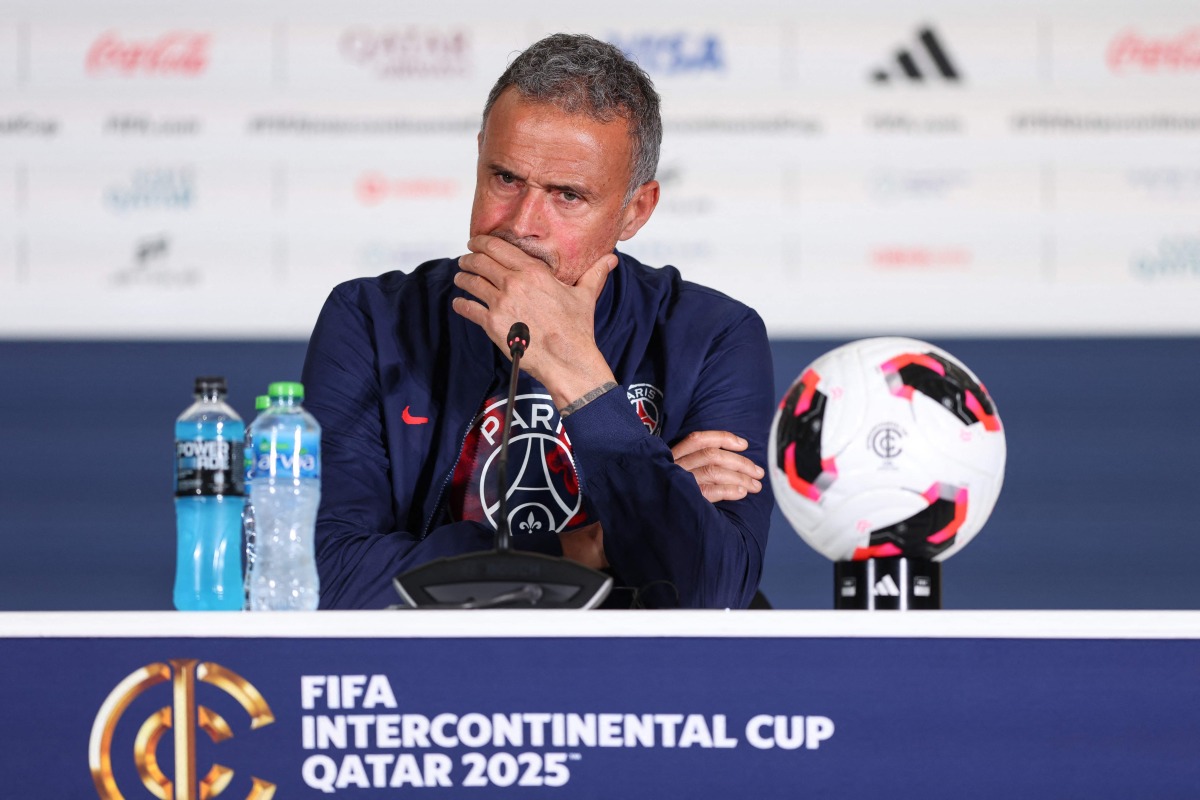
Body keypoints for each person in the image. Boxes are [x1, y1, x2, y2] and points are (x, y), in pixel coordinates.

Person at [301, 33, 775, 609]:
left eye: (568, 196)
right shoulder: (372, 321)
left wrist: (580, 377)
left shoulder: (712, 336)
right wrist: (590, 545)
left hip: (632, 687)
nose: (523, 224)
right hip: (430, 682)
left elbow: (711, 592)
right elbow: (323, 578)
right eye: (505, 178)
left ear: (636, 210)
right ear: (479, 156)